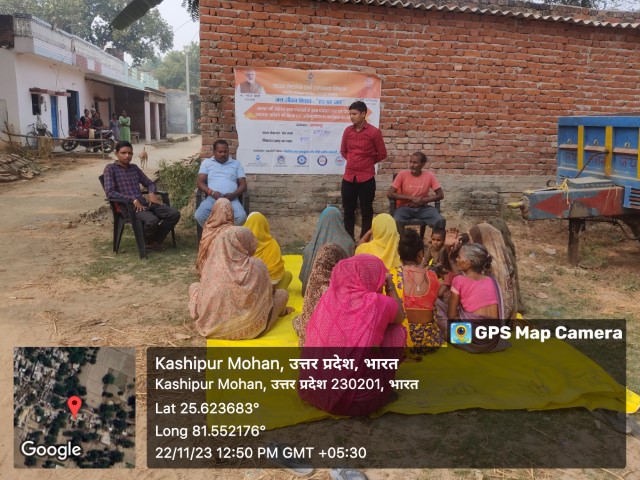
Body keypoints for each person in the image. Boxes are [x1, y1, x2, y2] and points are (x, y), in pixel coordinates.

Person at [299, 255, 406, 416]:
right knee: (397, 331)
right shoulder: (377, 302)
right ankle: (383, 390)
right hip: (353, 403)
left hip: (311, 391)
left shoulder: (328, 297)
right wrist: (390, 286)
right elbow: (400, 316)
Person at [189, 227, 289, 340]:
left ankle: (204, 314)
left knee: (194, 286)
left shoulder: (211, 265)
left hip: (211, 326)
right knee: (283, 294)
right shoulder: (257, 266)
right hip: (251, 329)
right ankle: (282, 312)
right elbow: (270, 294)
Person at [102, 141, 180, 252]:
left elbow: (150, 183)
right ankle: (148, 242)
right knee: (152, 220)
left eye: (130, 153)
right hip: (128, 208)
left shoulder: (134, 168)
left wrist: (151, 193)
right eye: (123, 153)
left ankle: (153, 242)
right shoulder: (110, 169)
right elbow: (110, 192)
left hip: (144, 204)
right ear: (116, 154)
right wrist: (132, 200)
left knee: (174, 214)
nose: (127, 156)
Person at [447, 243, 510, 354]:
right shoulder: (491, 280)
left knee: (438, 307)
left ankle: (458, 338)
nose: (457, 259)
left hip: (472, 341)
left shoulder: (458, 280)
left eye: (459, 257)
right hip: (493, 340)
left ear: (468, 263)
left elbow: (451, 316)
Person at [340, 101, 387, 239]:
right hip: (349, 177)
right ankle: (349, 240)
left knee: (366, 211)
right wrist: (352, 160)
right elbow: (343, 151)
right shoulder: (348, 131)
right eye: (350, 114)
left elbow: (382, 153)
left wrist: (367, 162)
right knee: (348, 211)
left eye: (354, 114)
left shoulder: (374, 132)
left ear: (363, 114)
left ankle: (364, 241)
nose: (351, 117)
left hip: (367, 178)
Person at [398, 229, 444, 354]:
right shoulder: (432, 276)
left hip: (399, 340)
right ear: (420, 254)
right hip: (427, 340)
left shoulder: (390, 275)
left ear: (399, 253)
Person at [293, 243, 347, 347]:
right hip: (323, 342)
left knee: (297, 320)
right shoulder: (337, 288)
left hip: (306, 338)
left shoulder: (315, 276)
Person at [299, 206, 355, 296]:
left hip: (311, 291)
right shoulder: (348, 243)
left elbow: (304, 275)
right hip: (338, 293)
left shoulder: (310, 248)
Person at [387, 151, 446, 231]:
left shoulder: (429, 175)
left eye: (415, 162)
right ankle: (402, 239)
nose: (411, 165)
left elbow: (440, 195)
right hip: (405, 208)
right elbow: (390, 193)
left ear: (423, 164)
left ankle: (436, 239)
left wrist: (423, 200)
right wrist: (412, 198)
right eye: (410, 162)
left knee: (440, 221)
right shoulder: (402, 174)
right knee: (396, 220)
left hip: (423, 208)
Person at [194, 139, 247, 227]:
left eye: (225, 151)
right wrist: (212, 193)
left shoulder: (236, 164)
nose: (223, 154)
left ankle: (226, 232)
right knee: (199, 215)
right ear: (214, 152)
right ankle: (215, 232)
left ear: (228, 151)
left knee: (241, 217)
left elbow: (243, 185)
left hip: (232, 199)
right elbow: (200, 182)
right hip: (212, 198)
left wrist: (233, 195)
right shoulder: (207, 163)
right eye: (220, 152)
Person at [244, 212, 292, 290]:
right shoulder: (273, 243)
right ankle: (273, 293)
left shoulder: (242, 244)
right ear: (265, 226)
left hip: (247, 285)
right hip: (270, 284)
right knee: (288, 275)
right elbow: (277, 270)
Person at [195, 198, 234, 277]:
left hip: (207, 270)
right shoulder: (232, 231)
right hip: (226, 271)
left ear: (214, 211)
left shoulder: (207, 227)